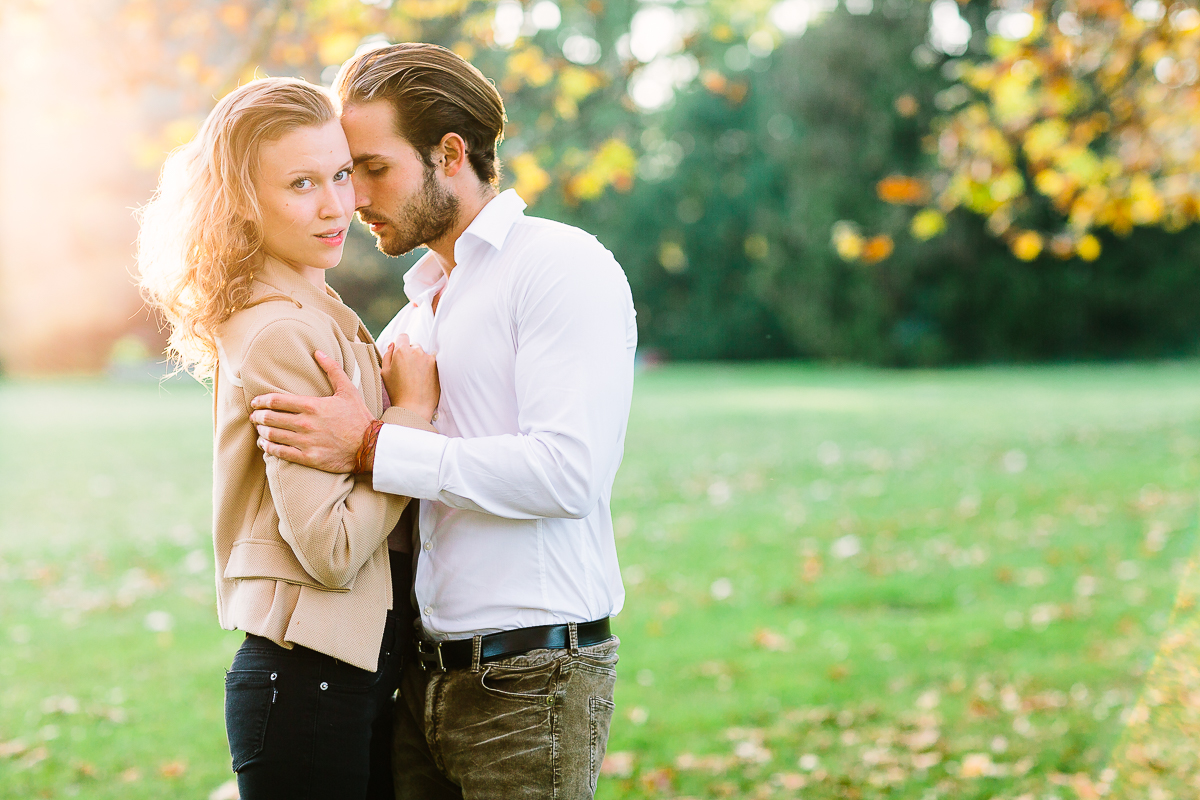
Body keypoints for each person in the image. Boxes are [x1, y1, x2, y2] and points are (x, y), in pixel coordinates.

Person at [248, 44, 638, 799]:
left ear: (449, 153)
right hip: (421, 680)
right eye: (342, 171)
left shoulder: (559, 265)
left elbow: (569, 474)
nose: (352, 196)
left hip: (531, 681)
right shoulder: (420, 307)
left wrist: (371, 444)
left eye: (372, 168)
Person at [136, 76, 440, 799]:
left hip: (349, 677)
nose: (337, 204)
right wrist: (409, 423)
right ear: (243, 201)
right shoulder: (281, 328)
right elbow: (330, 551)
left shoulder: (312, 305)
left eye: (340, 174)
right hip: (311, 687)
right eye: (302, 183)